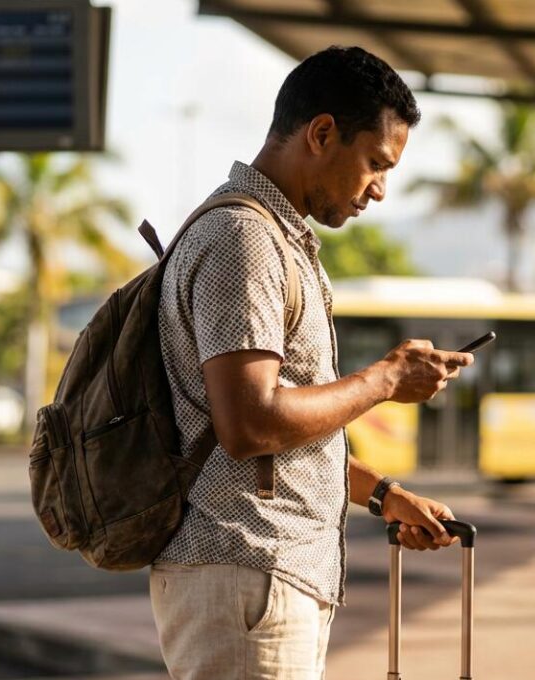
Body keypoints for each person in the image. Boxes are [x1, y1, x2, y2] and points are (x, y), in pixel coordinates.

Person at [150, 46, 473, 680]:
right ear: (322, 133)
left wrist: (382, 495)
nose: (379, 189)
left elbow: (278, 435)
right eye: (376, 164)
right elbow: (250, 423)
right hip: (246, 574)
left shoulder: (276, 238)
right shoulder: (244, 238)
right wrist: (383, 380)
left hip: (260, 580)